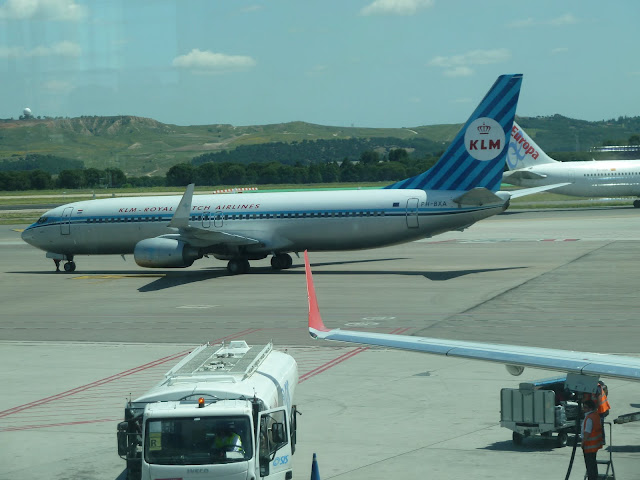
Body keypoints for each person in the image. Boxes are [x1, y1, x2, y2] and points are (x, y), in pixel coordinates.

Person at [581, 399, 604, 480]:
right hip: (594, 446)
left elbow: (587, 432)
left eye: (585, 407)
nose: (583, 409)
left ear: (590, 408)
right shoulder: (595, 415)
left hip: (589, 446)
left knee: (590, 467)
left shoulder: (589, 418)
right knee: (593, 465)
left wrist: (583, 443)